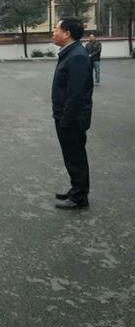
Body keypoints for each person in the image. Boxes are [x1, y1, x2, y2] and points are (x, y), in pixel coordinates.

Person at [51, 17, 94, 210]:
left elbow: (75, 94)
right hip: (66, 116)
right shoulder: (71, 52)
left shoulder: (77, 56)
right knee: (71, 156)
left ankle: (79, 197)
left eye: (56, 29)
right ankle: (76, 189)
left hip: (72, 119)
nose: (53, 32)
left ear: (67, 33)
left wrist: (65, 120)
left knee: (76, 157)